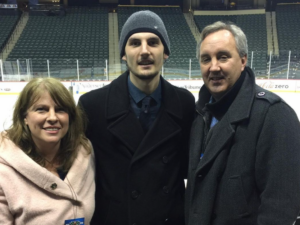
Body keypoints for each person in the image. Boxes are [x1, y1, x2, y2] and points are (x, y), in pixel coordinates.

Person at [79, 10, 195, 225]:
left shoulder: (185, 103)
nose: (144, 51)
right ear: (124, 53)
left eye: (153, 42)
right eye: (134, 43)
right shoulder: (92, 106)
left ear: (165, 52)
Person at [185, 21, 300, 225]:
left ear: (243, 60)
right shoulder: (198, 114)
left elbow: (279, 209)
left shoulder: (275, 115)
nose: (214, 67)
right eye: (205, 59)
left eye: (223, 57)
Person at [0, 78, 95, 224]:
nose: (52, 117)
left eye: (60, 110)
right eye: (41, 109)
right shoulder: (4, 170)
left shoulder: (84, 153)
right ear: (25, 117)